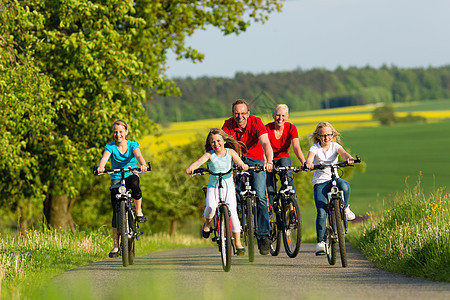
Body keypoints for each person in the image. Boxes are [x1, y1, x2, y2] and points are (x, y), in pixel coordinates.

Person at [222, 99, 274, 255]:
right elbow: (222, 144)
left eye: (243, 113)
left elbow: (265, 143)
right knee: (233, 195)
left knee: (261, 196)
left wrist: (269, 161)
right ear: (233, 114)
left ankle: (264, 235)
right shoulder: (228, 125)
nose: (240, 116)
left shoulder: (256, 122)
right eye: (237, 113)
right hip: (237, 159)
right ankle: (236, 229)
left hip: (256, 158)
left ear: (248, 113)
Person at [186, 128, 249, 255]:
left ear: (224, 141)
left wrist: (243, 166)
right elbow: (199, 162)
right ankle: (208, 223)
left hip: (228, 188)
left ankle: (237, 243)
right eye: (213, 142)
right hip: (213, 187)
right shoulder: (210, 155)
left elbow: (240, 162)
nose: (216, 144)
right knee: (211, 207)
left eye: (218, 141)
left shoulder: (230, 152)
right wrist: (192, 167)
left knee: (233, 214)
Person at [97, 120, 148, 258]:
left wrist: (143, 164)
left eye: (120, 131)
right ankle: (115, 246)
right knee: (115, 211)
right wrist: (101, 167)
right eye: (115, 131)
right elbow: (105, 158)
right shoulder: (110, 146)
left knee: (135, 184)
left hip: (130, 174)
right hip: (116, 178)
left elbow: (138, 156)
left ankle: (138, 211)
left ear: (126, 132)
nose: (118, 134)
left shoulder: (132, 145)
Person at [305, 121, 356, 255]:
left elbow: (344, 154)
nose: (326, 138)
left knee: (345, 186)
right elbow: (310, 158)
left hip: (334, 179)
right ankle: (320, 243)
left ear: (333, 135)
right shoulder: (315, 148)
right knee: (322, 212)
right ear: (318, 137)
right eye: (323, 136)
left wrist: (349, 158)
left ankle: (345, 209)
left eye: (329, 135)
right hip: (320, 183)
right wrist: (308, 164)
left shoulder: (335, 146)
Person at [265, 104, 306, 219]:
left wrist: (304, 162)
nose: (280, 118)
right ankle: (269, 215)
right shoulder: (267, 128)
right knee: (269, 187)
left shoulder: (291, 128)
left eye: (283, 115)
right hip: (269, 158)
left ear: (287, 116)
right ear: (273, 115)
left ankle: (291, 207)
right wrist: (267, 162)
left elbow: (296, 147)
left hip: (282, 157)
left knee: (287, 172)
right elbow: (263, 147)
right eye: (278, 115)